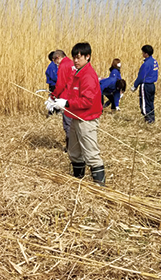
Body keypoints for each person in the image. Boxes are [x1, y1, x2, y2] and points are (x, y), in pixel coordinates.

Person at [46, 43, 105, 186]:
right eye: (74, 58)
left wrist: (66, 103)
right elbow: (69, 91)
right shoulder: (76, 73)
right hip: (75, 117)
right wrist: (55, 99)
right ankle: (78, 181)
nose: (76, 61)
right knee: (74, 152)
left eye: (79, 58)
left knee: (91, 154)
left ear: (87, 57)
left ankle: (99, 187)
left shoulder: (88, 76)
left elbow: (87, 101)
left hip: (86, 119)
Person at [49, 50, 77, 152]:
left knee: (68, 124)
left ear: (57, 58)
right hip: (75, 97)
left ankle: (71, 147)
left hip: (66, 97)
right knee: (75, 122)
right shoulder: (72, 63)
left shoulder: (63, 66)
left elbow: (60, 84)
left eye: (54, 60)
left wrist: (53, 96)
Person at [130, 45, 159, 124]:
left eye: (143, 52)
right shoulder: (154, 61)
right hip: (152, 85)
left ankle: (148, 118)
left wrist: (135, 86)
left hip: (145, 85)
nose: (142, 54)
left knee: (144, 102)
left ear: (146, 54)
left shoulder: (146, 64)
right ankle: (152, 117)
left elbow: (141, 76)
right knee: (150, 101)